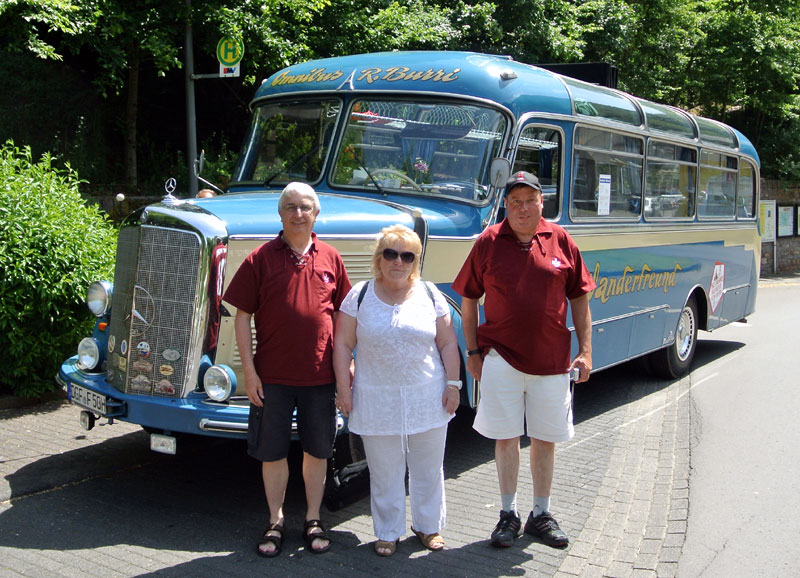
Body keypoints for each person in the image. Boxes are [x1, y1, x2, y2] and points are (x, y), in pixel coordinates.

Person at [452, 171, 595, 550]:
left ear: (541, 203)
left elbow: (580, 298)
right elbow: (468, 300)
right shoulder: (487, 241)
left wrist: (584, 351)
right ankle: (508, 514)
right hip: (501, 360)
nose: (522, 208)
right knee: (506, 438)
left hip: (552, 362)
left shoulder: (561, 239)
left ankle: (541, 514)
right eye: (514, 201)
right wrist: (473, 351)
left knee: (546, 440)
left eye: (529, 200)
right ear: (505, 205)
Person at [222, 182, 351, 558]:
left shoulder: (331, 257)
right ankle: (276, 520)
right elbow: (241, 318)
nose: (298, 214)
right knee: (272, 453)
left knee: (317, 451)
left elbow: (345, 318)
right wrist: (249, 372)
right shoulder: (259, 258)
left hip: (320, 377)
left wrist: (347, 369)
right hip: (272, 377)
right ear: (280, 214)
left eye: (305, 207)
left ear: (316, 214)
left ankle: (313, 518)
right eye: (291, 207)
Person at [333, 224, 461, 557]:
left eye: (407, 255)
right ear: (379, 258)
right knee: (384, 470)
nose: (398, 261)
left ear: (415, 261)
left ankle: (428, 527)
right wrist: (343, 389)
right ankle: (388, 531)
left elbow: (447, 343)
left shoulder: (430, 294)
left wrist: (453, 384)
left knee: (428, 468)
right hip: (377, 398)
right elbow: (343, 345)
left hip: (427, 396)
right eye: (391, 253)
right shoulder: (358, 295)